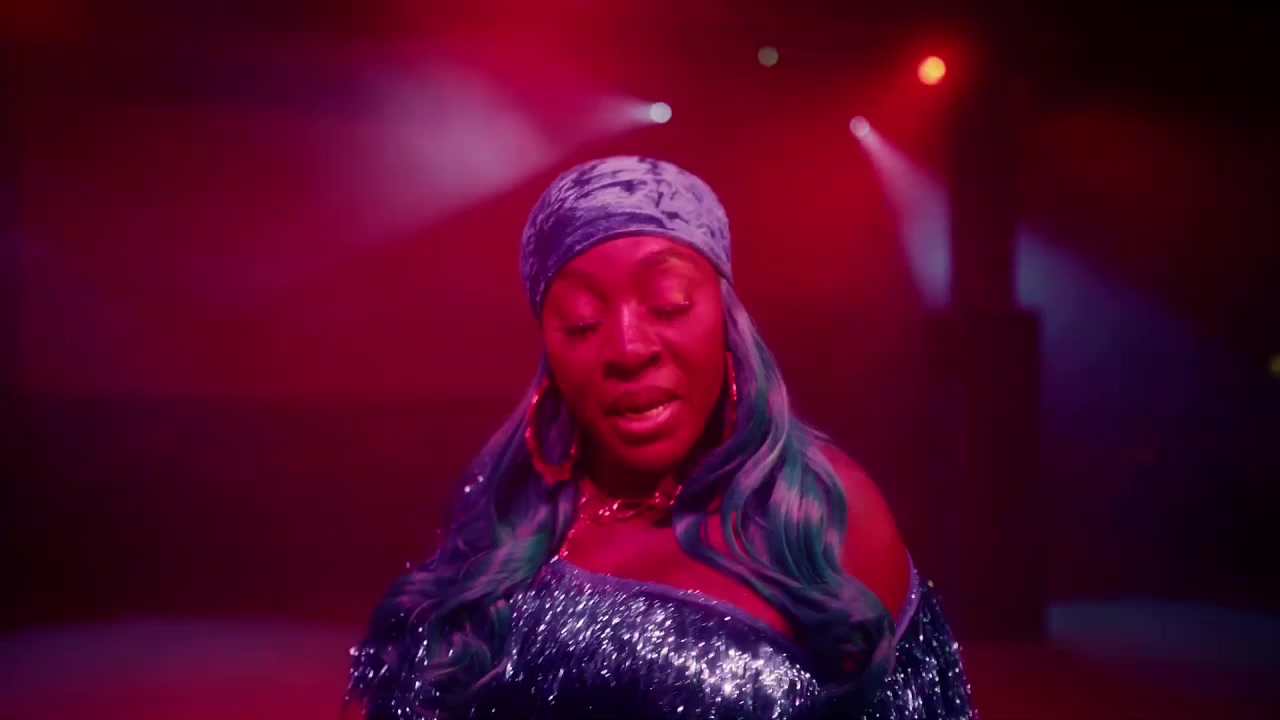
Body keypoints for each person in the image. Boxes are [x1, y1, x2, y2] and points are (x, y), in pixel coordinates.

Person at [346, 156, 973, 719]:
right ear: (548, 353)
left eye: (668, 305)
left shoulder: (822, 513)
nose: (628, 348)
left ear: (726, 321)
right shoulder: (503, 525)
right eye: (582, 323)